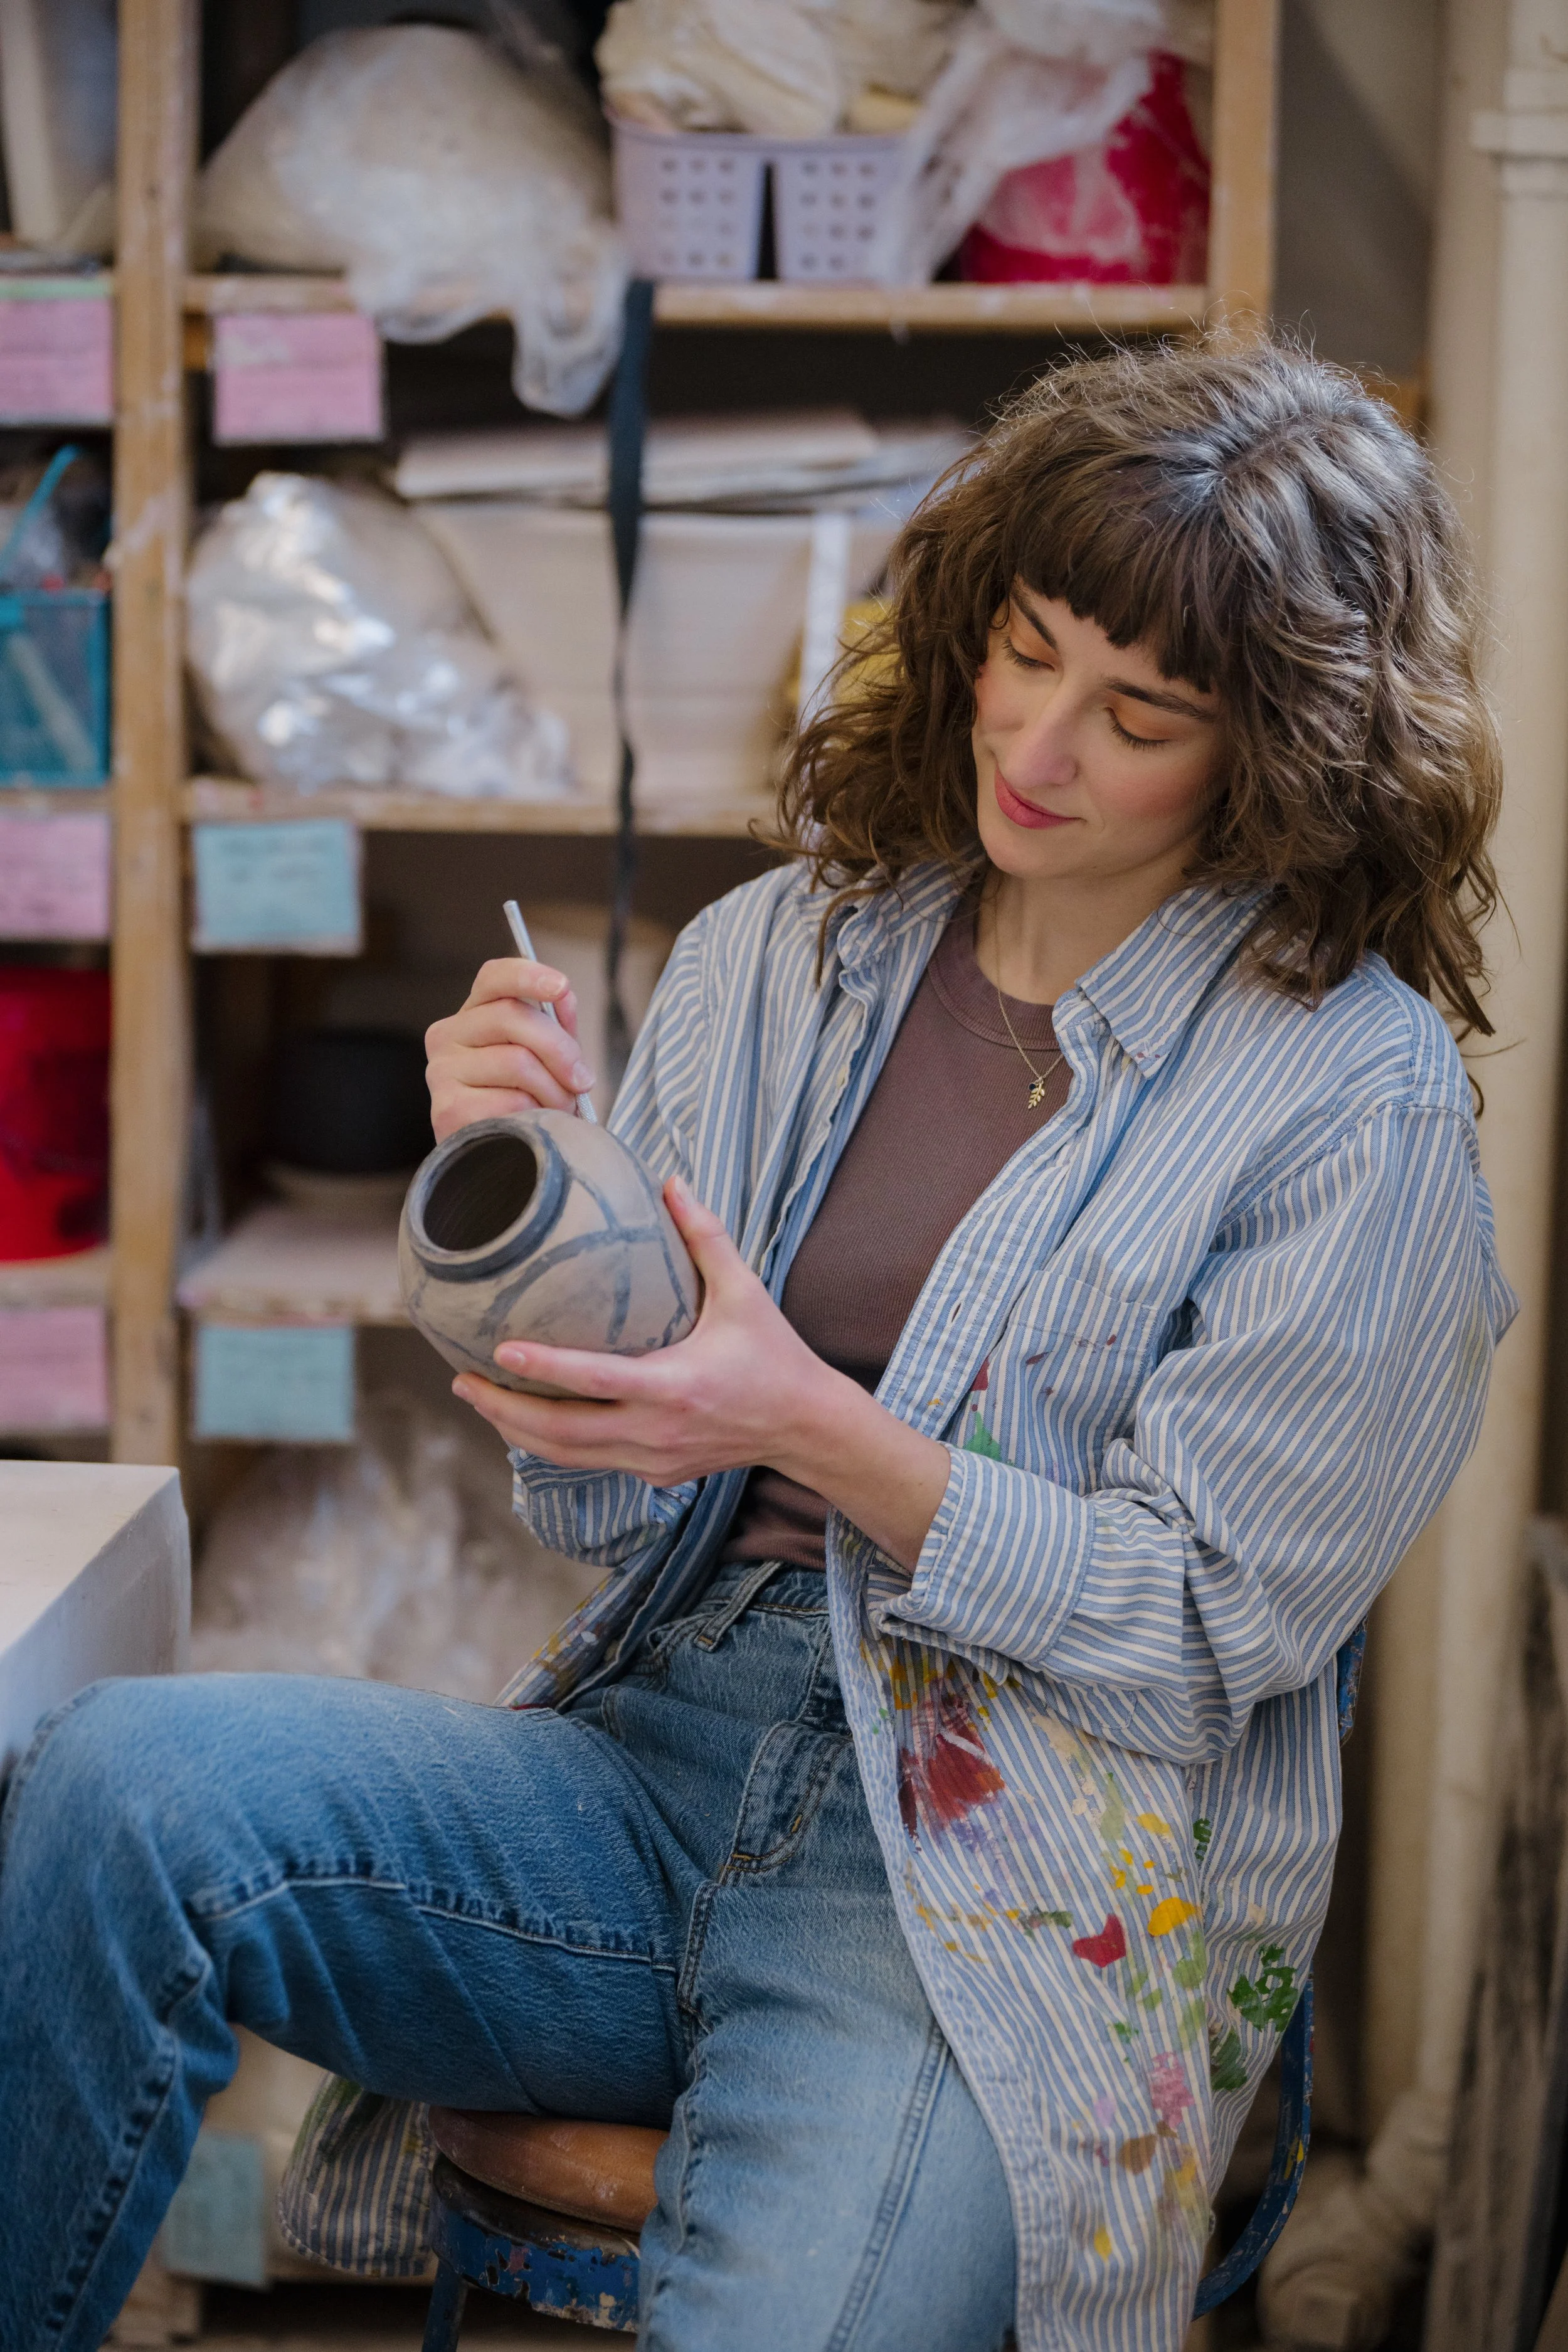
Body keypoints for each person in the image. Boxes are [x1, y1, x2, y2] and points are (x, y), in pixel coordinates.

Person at [0, 343, 1514, 2352]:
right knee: (115, 1784)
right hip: (653, 1764)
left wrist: (814, 1420)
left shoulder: (1356, 1105)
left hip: (1006, 1879)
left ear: (1283, 753)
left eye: (1137, 712)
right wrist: (535, 1214)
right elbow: (595, 1510)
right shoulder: (783, 951)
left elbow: (1205, 1627)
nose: (1039, 744)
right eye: (1025, 651)